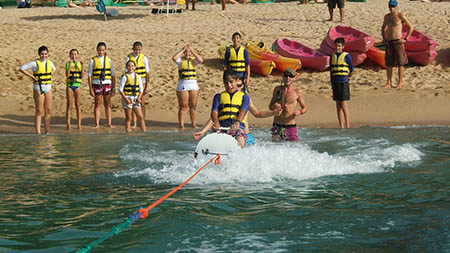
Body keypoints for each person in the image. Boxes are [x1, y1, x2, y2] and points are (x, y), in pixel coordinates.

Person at [19, 46, 56, 135]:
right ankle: (38, 132)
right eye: (42, 54)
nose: (44, 56)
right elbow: (22, 68)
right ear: (39, 54)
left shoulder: (49, 62)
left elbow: (54, 69)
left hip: (48, 87)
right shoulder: (34, 63)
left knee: (48, 110)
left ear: (48, 54)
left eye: (46, 54)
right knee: (39, 110)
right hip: (38, 88)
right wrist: (31, 76)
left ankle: (47, 131)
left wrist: (51, 73)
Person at [210, 69, 250, 148]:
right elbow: (214, 111)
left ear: (237, 81)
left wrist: (238, 122)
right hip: (221, 126)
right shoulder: (218, 96)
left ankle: (239, 153)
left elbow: (243, 110)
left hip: (237, 126)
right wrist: (216, 122)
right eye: (226, 83)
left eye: (231, 82)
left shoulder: (244, 97)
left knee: (240, 138)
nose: (229, 85)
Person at [381, 0, 413, 89]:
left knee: (400, 63)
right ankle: (389, 82)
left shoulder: (400, 15)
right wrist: (384, 38)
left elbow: (411, 27)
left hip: (398, 42)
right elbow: (383, 27)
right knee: (388, 64)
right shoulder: (387, 17)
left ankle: (400, 83)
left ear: (396, 6)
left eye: (393, 6)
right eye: (390, 6)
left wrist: (405, 39)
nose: (391, 8)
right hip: (389, 42)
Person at [268, 68, 307, 141]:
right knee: (275, 147)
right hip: (277, 124)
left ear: (294, 78)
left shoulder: (297, 92)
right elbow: (270, 106)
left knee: (292, 147)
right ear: (283, 77)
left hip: (290, 125)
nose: (288, 78)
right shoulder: (277, 90)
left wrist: (300, 112)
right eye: (286, 76)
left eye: (290, 76)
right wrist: (274, 106)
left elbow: (305, 108)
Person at [172, 45, 203, 130]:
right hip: (183, 85)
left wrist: (192, 51)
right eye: (186, 52)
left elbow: (200, 59)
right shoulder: (180, 61)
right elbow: (174, 58)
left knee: (193, 106)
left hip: (193, 85)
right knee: (183, 106)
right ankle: (181, 125)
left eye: (188, 52)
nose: (187, 54)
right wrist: (183, 50)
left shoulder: (193, 61)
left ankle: (194, 124)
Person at [88, 42, 116, 128]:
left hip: (107, 84)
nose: (101, 52)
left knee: (107, 104)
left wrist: (113, 88)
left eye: (103, 50)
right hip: (97, 84)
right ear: (97, 50)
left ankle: (109, 123)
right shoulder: (92, 60)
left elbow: (113, 75)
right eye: (99, 50)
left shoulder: (109, 60)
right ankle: (97, 123)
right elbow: (90, 76)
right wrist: (90, 88)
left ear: (105, 50)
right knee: (98, 104)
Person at [125, 42, 150, 129]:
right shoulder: (129, 57)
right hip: (132, 81)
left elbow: (147, 72)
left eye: (139, 50)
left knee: (141, 102)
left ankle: (142, 120)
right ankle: (134, 122)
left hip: (142, 81)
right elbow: (126, 71)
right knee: (133, 102)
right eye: (136, 49)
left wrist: (147, 84)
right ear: (133, 49)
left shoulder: (144, 58)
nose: (137, 51)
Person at [330, 38, 353, 128]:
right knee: (337, 105)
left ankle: (347, 125)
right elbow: (331, 71)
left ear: (343, 47)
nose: (337, 48)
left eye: (339, 46)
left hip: (343, 82)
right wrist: (332, 83)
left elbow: (351, 69)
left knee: (343, 104)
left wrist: (349, 78)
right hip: (335, 82)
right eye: (336, 46)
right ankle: (341, 126)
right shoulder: (332, 56)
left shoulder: (346, 56)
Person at [119, 60, 146, 133]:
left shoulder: (138, 77)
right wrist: (126, 99)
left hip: (136, 99)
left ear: (135, 67)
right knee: (129, 118)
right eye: (129, 66)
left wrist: (139, 98)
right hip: (128, 98)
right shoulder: (124, 77)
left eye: (132, 66)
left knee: (140, 117)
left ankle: (144, 131)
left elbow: (141, 89)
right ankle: (128, 131)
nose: (130, 67)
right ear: (126, 67)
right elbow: (120, 90)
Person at [65, 49, 83, 130]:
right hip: (69, 85)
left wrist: (82, 66)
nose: (74, 56)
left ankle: (79, 124)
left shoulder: (79, 64)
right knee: (69, 104)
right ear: (70, 55)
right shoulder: (68, 64)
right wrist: (69, 66)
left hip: (77, 85)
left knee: (77, 105)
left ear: (78, 55)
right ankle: (68, 124)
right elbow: (67, 75)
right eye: (72, 54)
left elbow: (82, 76)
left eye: (75, 54)